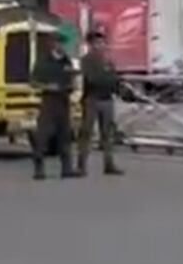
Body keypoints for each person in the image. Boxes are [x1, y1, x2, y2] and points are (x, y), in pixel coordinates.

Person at [77, 28, 125, 177]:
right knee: (87, 132)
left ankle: (109, 164)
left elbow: (115, 78)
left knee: (108, 134)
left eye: (102, 42)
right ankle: (81, 165)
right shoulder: (86, 60)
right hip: (92, 99)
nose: (100, 45)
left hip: (107, 99)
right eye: (97, 42)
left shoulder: (109, 60)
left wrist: (117, 88)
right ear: (91, 44)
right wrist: (108, 78)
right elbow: (92, 79)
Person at [30, 33, 78, 181]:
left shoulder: (66, 61)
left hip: (63, 100)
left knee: (65, 135)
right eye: (59, 43)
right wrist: (47, 86)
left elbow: (71, 79)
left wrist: (72, 85)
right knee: (42, 135)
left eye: (63, 44)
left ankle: (67, 168)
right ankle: (39, 168)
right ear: (53, 44)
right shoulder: (43, 61)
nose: (62, 46)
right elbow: (33, 82)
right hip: (48, 101)